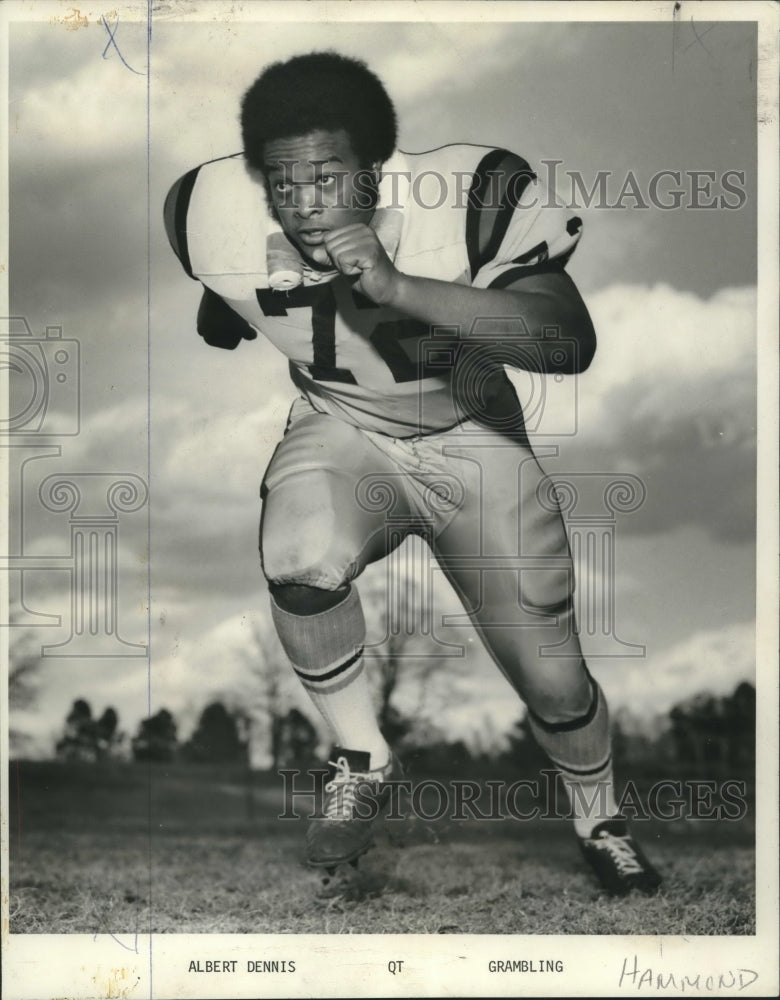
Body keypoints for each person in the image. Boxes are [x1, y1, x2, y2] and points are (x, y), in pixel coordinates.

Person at [165, 51, 662, 896]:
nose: (306, 203)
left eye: (329, 178)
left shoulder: (469, 198)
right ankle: (360, 756)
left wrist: (399, 286)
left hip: (474, 437)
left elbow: (565, 341)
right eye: (283, 185)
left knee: (552, 676)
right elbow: (229, 276)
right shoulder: (204, 212)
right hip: (345, 424)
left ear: (379, 168)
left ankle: (599, 820)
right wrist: (228, 305)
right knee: (297, 558)